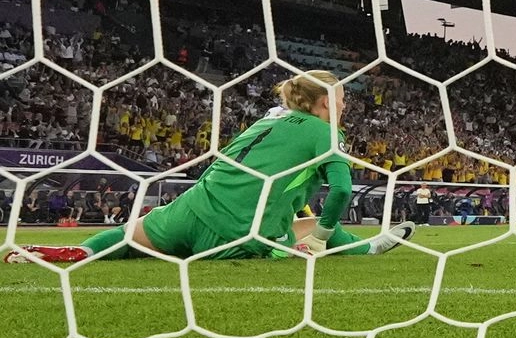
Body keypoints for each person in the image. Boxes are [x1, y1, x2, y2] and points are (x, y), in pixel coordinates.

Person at [6, 71, 415, 264]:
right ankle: (367, 246)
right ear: (325, 102)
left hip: (189, 209)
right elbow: (342, 192)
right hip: (241, 232)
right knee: (315, 231)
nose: (345, 106)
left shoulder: (265, 120)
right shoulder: (324, 132)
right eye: (342, 100)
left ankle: (76, 251)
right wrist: (322, 235)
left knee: (127, 237)